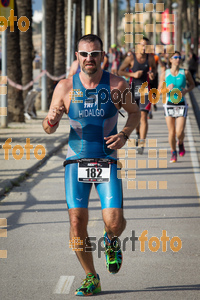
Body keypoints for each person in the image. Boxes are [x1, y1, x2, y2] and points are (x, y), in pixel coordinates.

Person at [42, 34, 140, 296]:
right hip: (76, 160)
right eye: (84, 54)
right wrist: (50, 120)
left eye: (94, 54)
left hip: (106, 160)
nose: (89, 58)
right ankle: (91, 277)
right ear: (77, 56)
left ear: (102, 56)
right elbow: (49, 128)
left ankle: (110, 240)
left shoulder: (118, 85)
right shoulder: (64, 87)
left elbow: (135, 111)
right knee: (76, 221)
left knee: (115, 222)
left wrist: (125, 135)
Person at [118, 37, 156, 154]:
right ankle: (138, 133)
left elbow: (154, 69)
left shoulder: (150, 58)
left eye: (146, 46)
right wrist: (133, 74)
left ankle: (142, 143)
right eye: (142, 45)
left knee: (144, 116)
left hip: (145, 90)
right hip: (133, 90)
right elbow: (120, 71)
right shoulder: (131, 58)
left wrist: (152, 74)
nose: (144, 48)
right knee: (136, 117)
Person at [158, 51, 195, 163]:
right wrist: (166, 89)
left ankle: (181, 142)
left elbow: (193, 85)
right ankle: (173, 152)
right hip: (169, 104)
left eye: (179, 57)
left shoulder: (185, 72)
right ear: (170, 60)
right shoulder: (165, 73)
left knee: (179, 132)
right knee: (172, 132)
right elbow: (158, 91)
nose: (178, 59)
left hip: (181, 104)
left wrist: (186, 90)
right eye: (175, 57)